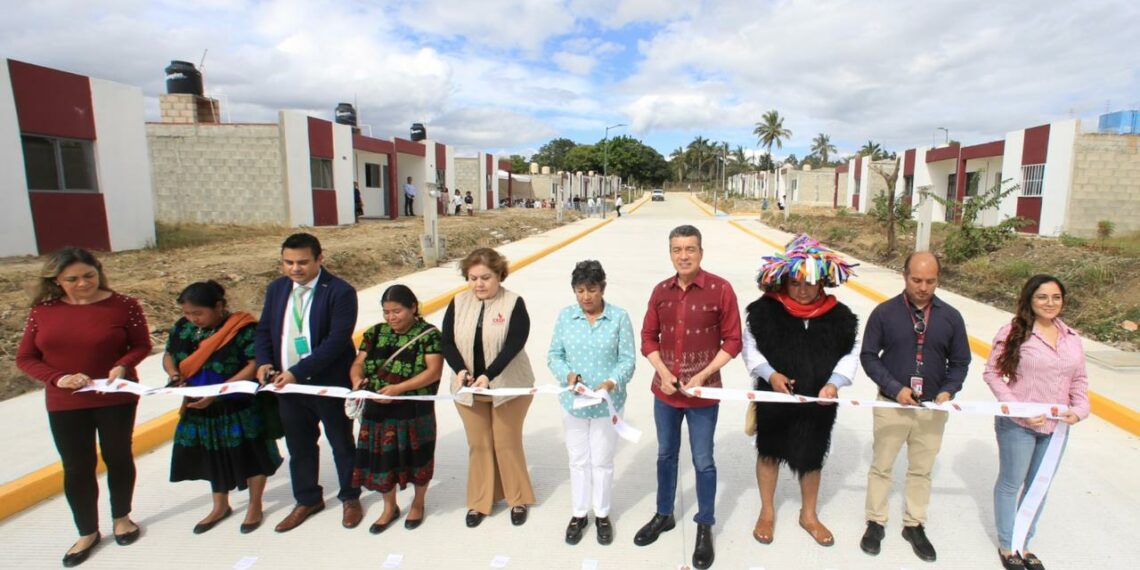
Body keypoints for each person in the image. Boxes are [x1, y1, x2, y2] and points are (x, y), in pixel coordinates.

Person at [16, 247, 151, 567]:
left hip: (115, 396)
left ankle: (122, 517)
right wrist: (57, 378)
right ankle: (87, 531)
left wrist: (122, 365)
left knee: (117, 456)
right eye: (72, 279)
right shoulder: (43, 311)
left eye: (88, 276)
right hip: (65, 402)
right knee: (76, 466)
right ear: (57, 281)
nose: (82, 283)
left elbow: (142, 344)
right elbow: (25, 358)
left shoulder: (123, 306)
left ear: (99, 271)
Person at [636, 225, 742, 570]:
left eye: (690, 249)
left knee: (703, 461)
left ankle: (704, 524)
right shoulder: (660, 291)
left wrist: (703, 376)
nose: (684, 256)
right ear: (670, 253)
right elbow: (648, 337)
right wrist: (663, 373)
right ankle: (664, 514)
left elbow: (732, 341)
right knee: (666, 455)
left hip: (703, 395)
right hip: (664, 393)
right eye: (677, 249)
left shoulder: (720, 289)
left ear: (701, 252)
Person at [742, 236, 859, 547]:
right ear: (784, 281)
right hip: (774, 400)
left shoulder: (841, 317)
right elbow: (750, 349)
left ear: (822, 281)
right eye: (795, 283)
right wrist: (770, 375)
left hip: (819, 402)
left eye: (809, 282)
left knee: (812, 458)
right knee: (768, 452)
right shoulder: (764, 312)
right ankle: (767, 512)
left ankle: (809, 514)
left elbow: (850, 355)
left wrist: (834, 382)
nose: (803, 290)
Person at [859, 251, 970, 563]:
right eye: (917, 279)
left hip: (931, 408)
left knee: (921, 470)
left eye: (930, 281)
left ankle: (914, 524)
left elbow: (960, 362)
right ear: (904, 276)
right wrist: (895, 388)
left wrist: (948, 390)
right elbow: (869, 356)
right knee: (882, 465)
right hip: (891, 404)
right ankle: (875, 521)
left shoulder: (951, 317)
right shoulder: (884, 313)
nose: (923, 287)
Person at [253, 233, 363, 532]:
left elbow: (337, 341)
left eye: (302, 262)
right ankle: (307, 499)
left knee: (341, 442)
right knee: (299, 446)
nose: (295, 269)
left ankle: (350, 497)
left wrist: (298, 371)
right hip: (288, 388)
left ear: (319, 259)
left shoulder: (339, 292)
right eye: (288, 262)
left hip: (328, 383)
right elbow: (264, 330)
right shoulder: (277, 289)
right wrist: (264, 362)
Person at [983, 275, 1088, 570]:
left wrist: (1080, 409)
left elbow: (1079, 380)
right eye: (1042, 297)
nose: (1050, 303)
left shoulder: (1072, 338)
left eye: (1056, 297)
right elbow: (992, 373)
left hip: (1056, 429)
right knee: (1011, 482)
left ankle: (1024, 543)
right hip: (1018, 425)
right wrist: (1018, 408)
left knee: (1038, 486)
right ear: (1029, 299)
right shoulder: (1014, 332)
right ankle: (1007, 545)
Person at [164, 280, 283, 535]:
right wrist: (174, 374)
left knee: (251, 454)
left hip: (237, 404)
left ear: (218, 306)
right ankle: (220, 505)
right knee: (212, 455)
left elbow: (254, 363)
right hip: (198, 405)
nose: (192, 319)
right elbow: (169, 355)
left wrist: (220, 392)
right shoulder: (183, 328)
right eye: (187, 313)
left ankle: (254, 505)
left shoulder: (242, 328)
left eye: (198, 313)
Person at [441, 248, 536, 528]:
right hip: (468, 390)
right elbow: (447, 342)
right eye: (472, 278)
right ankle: (480, 501)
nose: (478, 284)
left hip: (507, 387)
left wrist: (488, 375)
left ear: (499, 276)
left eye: (485, 277)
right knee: (479, 446)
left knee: (506, 443)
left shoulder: (514, 303)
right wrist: (461, 370)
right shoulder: (458, 303)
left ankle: (517, 499)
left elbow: (514, 344)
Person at [547, 260, 636, 546]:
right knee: (578, 460)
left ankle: (602, 513)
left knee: (602, 460)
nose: (586, 296)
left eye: (592, 290)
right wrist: (568, 375)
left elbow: (628, 360)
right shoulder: (566, 317)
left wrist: (611, 382)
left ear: (603, 289)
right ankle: (579, 513)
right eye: (580, 290)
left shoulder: (619, 318)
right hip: (574, 403)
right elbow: (554, 355)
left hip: (606, 403)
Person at [350, 284, 443, 534]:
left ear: (413, 307)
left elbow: (433, 372)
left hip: (413, 411)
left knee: (418, 458)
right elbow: (358, 363)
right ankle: (389, 507)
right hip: (377, 412)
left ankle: (418, 503)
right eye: (386, 312)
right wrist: (358, 381)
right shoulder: (374, 333)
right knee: (384, 460)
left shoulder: (429, 334)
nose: (391, 317)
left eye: (397, 311)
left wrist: (398, 389)